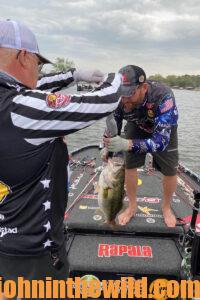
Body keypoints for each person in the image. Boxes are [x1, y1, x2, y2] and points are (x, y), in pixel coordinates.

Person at [0, 19, 122, 285]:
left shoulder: (10, 100)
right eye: (39, 63)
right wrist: (119, 77)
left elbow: (37, 87)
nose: (40, 71)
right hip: (33, 255)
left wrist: (74, 74)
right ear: (24, 57)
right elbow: (106, 99)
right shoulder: (22, 109)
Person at [104, 65, 179, 228]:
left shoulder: (163, 96)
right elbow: (112, 124)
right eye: (121, 95)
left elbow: (160, 142)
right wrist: (107, 144)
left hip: (163, 130)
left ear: (143, 87)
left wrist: (127, 143)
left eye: (129, 94)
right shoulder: (119, 99)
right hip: (136, 125)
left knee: (170, 170)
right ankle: (132, 206)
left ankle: (166, 207)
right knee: (129, 165)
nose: (124, 101)